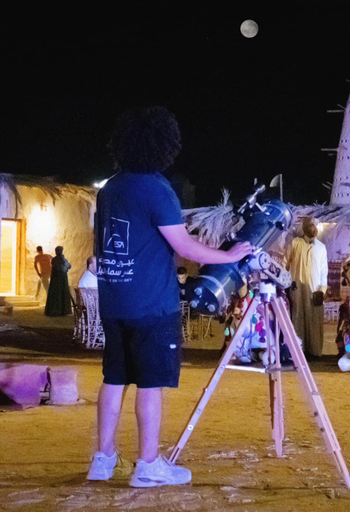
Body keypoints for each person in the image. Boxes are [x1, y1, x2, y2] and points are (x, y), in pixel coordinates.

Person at [87, 106, 254, 488]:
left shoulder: (111, 189)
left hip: (114, 303)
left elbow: (102, 247)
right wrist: (229, 256)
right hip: (151, 306)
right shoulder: (158, 189)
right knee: (149, 384)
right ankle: (148, 465)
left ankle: (103, 458)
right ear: (164, 146)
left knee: (113, 378)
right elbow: (184, 247)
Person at [285, 217, 328, 358]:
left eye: (316, 225)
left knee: (314, 319)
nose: (315, 228)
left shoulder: (321, 247)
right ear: (304, 228)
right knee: (297, 318)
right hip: (297, 289)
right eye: (311, 225)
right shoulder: (295, 243)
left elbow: (323, 271)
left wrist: (321, 291)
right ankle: (299, 352)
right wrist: (287, 283)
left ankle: (314, 352)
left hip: (314, 290)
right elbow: (285, 264)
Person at [45, 246, 72, 316]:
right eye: (58, 250)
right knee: (56, 296)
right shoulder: (54, 260)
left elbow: (69, 266)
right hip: (56, 281)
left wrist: (64, 261)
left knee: (63, 294)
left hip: (63, 280)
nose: (60, 252)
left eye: (60, 250)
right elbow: (59, 268)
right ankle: (56, 311)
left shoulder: (63, 259)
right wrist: (64, 268)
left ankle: (63, 311)